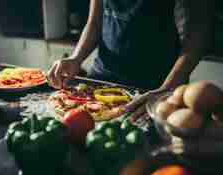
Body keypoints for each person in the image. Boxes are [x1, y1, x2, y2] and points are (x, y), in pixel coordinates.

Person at [47, 0, 214, 121]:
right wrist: (76, 58)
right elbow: (96, 22)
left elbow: (197, 39)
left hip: (156, 88)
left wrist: (167, 89)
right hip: (99, 80)